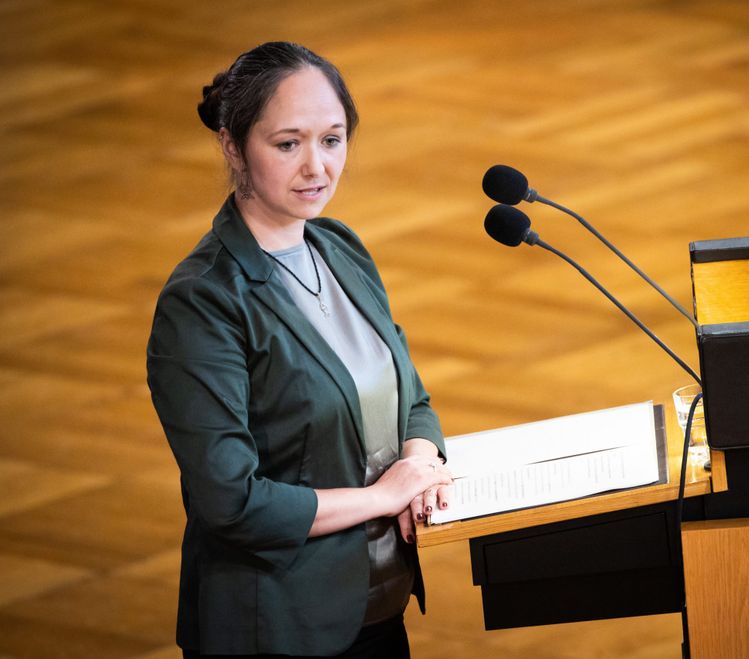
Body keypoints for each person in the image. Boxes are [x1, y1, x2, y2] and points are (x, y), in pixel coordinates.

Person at [146, 41, 452, 659]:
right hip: (276, 627)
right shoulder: (203, 301)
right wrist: (381, 497)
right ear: (233, 147)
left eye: (332, 140)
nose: (316, 167)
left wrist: (420, 463)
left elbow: (409, 396)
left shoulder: (340, 247)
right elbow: (230, 501)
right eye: (288, 144)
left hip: (379, 608)